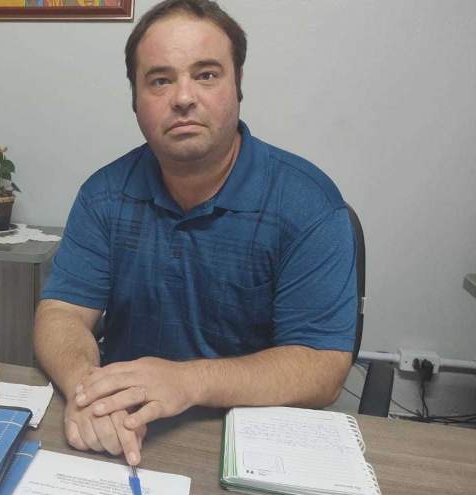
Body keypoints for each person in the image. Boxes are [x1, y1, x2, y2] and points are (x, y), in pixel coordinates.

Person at [34, 0, 357, 468]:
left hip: (254, 442)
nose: (183, 97)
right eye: (160, 80)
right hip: (128, 434)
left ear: (238, 86)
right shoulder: (104, 194)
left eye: (206, 75)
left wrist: (188, 382)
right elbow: (61, 312)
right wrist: (88, 389)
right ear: (135, 100)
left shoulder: (308, 203)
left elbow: (322, 367)